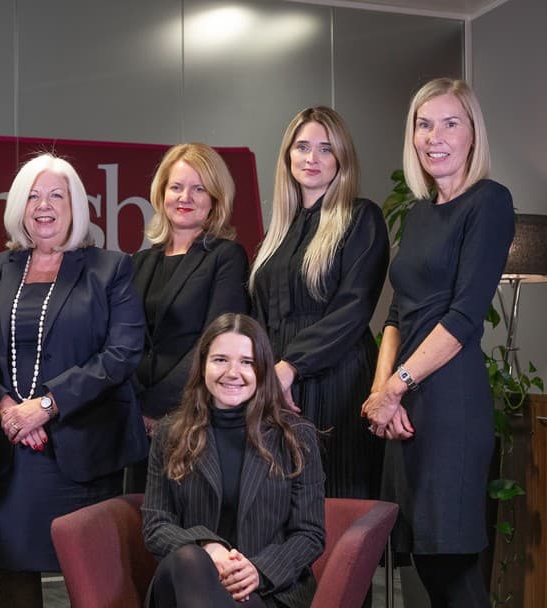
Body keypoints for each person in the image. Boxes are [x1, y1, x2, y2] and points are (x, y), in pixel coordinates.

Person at [362, 78, 514, 606]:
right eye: (424, 124)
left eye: (451, 123)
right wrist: (381, 389)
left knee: (453, 567)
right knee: (425, 562)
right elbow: (396, 314)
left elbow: (464, 318)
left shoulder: (490, 202)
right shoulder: (420, 212)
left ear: (473, 133)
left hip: (451, 403)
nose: (435, 136)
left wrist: (395, 387)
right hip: (406, 403)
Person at [0, 153, 147, 607]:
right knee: (14, 572)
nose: (44, 206)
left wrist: (47, 406)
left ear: (76, 206)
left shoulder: (110, 268)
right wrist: (6, 408)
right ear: (18, 206)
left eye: (56, 196)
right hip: (12, 450)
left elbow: (122, 353)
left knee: (93, 579)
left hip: (85, 448)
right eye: (33, 196)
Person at [249, 107, 389, 500]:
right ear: (288, 156)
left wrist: (291, 367)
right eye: (303, 147)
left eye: (326, 149)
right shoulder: (277, 233)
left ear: (342, 158)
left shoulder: (361, 218)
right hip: (276, 384)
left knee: (335, 500)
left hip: (337, 378)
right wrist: (265, 374)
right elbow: (258, 314)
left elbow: (354, 309)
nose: (312, 158)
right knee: (276, 503)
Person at [142, 313, 325, 608]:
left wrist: (258, 570)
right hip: (187, 577)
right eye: (220, 360)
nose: (232, 372)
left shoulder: (296, 436)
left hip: (267, 588)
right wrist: (207, 547)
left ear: (262, 370)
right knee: (190, 560)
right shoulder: (169, 433)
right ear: (202, 365)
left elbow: (310, 534)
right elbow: (156, 524)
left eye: (247, 362)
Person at [129, 142, 251, 492]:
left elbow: (216, 342)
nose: (185, 197)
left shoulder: (226, 257)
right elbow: (124, 340)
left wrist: (159, 408)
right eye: (177, 187)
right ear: (161, 193)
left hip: (194, 418)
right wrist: (137, 405)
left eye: (199, 189)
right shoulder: (139, 263)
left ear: (215, 198)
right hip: (138, 425)